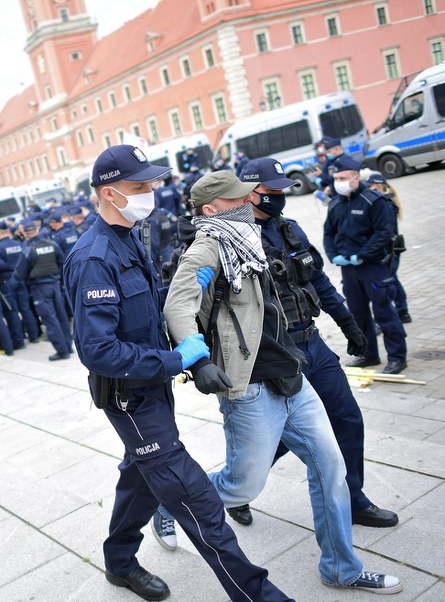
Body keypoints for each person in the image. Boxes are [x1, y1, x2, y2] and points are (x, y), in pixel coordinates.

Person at [64, 145, 292, 601]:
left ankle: (119, 563)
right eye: (138, 186)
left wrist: (181, 286)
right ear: (109, 193)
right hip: (129, 397)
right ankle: (258, 594)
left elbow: (137, 310)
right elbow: (98, 350)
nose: (149, 192)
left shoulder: (129, 236)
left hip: (152, 388)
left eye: (150, 183)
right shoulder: (93, 258)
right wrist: (177, 360)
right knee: (195, 498)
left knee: (141, 481)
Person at [163, 169, 402, 594]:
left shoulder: (250, 237)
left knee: (330, 467)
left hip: (292, 374)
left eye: (247, 196)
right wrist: (197, 361)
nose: (248, 203)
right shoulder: (207, 249)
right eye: (237, 199)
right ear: (211, 210)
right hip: (250, 386)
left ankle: (340, 568)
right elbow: (177, 307)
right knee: (241, 486)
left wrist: (343, 323)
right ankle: (168, 502)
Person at [215, 158, 397, 528]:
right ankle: (238, 490)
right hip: (271, 353)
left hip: (311, 343)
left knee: (346, 417)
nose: (279, 196)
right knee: (272, 437)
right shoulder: (228, 239)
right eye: (271, 191)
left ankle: (353, 499)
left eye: (282, 190)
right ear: (248, 192)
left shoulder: (289, 228)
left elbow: (316, 279)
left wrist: (347, 321)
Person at [323, 155, 407, 374]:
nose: (338, 182)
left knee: (384, 313)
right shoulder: (336, 204)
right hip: (348, 269)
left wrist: (361, 255)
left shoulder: (374, 200)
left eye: (343, 178)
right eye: (336, 178)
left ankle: (397, 357)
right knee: (358, 314)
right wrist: (333, 255)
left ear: (356, 177)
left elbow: (383, 233)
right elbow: (328, 233)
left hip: (373, 267)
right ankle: (368, 355)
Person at [15, 221, 71, 361]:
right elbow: (62, 262)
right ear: (37, 230)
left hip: (40, 288)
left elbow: (19, 274)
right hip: (55, 285)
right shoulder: (52, 244)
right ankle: (68, 346)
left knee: (50, 319)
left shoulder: (28, 250)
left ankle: (62, 351)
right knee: (61, 316)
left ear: (25, 234)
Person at [363, 173, 411, 323]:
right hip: (390, 246)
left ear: (377, 186)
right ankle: (402, 311)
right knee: (392, 279)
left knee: (391, 279)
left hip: (390, 248)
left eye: (370, 187)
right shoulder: (387, 201)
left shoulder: (386, 203)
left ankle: (401, 312)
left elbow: (383, 229)